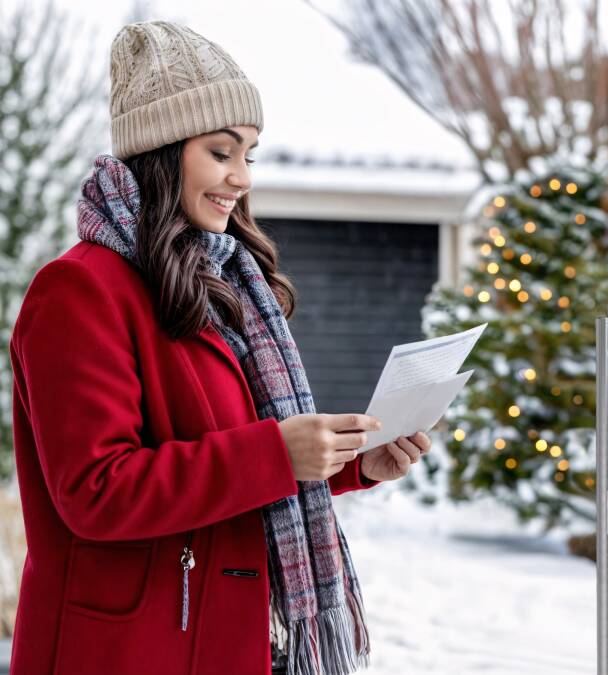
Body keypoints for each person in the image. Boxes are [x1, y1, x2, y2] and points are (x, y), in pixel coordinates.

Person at [7, 20, 431, 675]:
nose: (240, 178)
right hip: (124, 651)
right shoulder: (78, 290)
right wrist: (278, 453)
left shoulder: (220, 284)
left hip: (216, 641)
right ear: (161, 149)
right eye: (221, 151)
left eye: (249, 155)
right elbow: (95, 490)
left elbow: (232, 450)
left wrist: (354, 464)